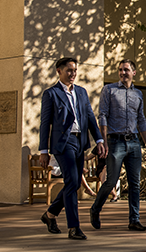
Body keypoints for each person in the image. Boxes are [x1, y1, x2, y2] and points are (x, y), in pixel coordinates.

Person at [38, 57, 107, 240]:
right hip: (63, 143)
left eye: (75, 70)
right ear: (59, 71)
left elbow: (90, 118)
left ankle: (50, 214)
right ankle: (74, 227)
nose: (73, 74)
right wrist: (43, 151)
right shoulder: (51, 94)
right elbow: (45, 123)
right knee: (71, 182)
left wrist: (99, 140)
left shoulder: (82, 92)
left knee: (74, 183)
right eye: (69, 70)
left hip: (80, 142)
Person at [90, 59, 146, 231]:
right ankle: (95, 209)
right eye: (120, 70)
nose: (123, 73)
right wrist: (103, 141)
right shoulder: (109, 90)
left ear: (134, 73)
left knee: (135, 183)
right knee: (111, 181)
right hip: (115, 142)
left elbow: (141, 119)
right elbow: (102, 116)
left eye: (126, 70)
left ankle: (134, 219)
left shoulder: (138, 94)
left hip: (133, 142)